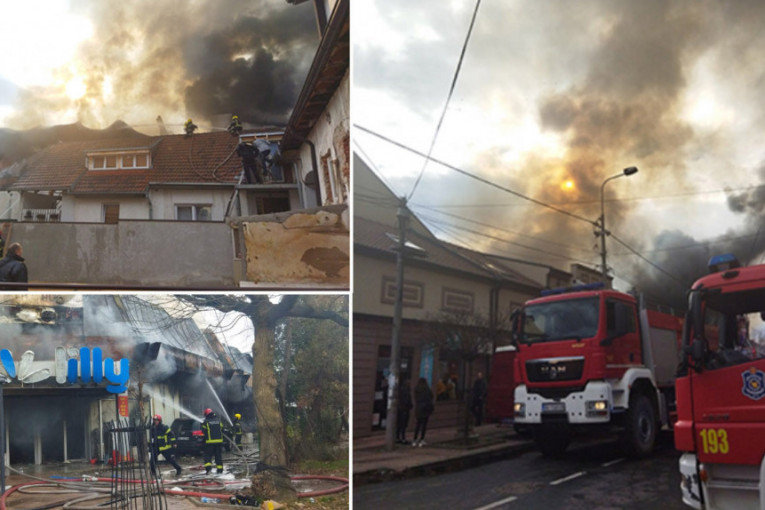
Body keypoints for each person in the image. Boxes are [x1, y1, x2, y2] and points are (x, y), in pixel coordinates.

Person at [201, 408, 224, 474]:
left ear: (206, 414)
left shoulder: (206, 422)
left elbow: (203, 431)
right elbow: (222, 429)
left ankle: (208, 470)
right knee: (218, 457)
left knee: (207, 456)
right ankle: (220, 470)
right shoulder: (218, 421)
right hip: (219, 443)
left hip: (209, 443)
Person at [412, 378, 434, 447]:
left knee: (418, 425)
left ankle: (415, 439)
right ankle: (421, 439)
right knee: (424, 425)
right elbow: (431, 397)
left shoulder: (416, 389)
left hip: (419, 409)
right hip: (425, 409)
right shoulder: (427, 389)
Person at [396, 378, 413, 444]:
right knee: (403, 425)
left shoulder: (401, 390)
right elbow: (406, 401)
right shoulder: (406, 391)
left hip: (401, 409)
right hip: (404, 410)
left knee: (400, 425)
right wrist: (409, 405)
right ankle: (402, 438)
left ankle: (398, 437)